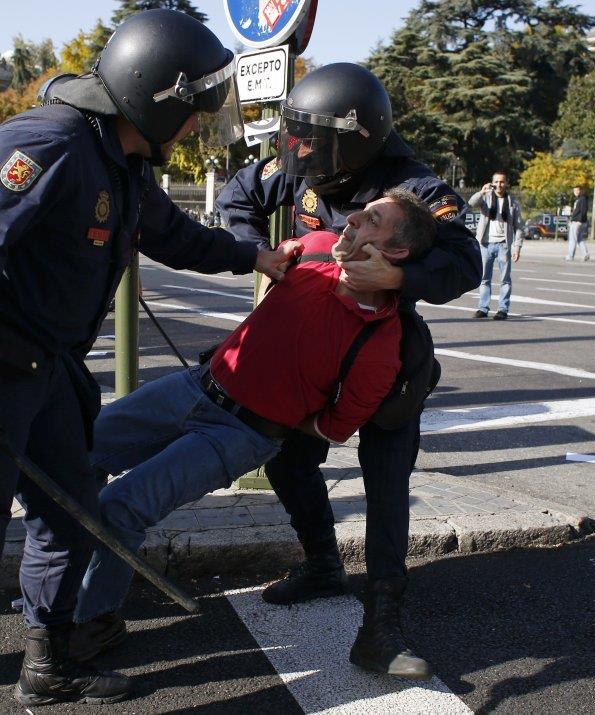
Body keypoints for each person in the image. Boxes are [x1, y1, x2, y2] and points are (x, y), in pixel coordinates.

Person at [0, 10, 292, 712]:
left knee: (68, 516)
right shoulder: (49, 141)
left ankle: (47, 665)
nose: (196, 126)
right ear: (153, 97)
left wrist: (255, 256)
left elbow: (174, 235)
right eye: (191, 112)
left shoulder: (121, 159)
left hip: (47, 369)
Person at [72, 191, 437, 659]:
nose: (351, 218)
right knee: (71, 454)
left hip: (240, 436)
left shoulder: (379, 346)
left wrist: (272, 414)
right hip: (194, 386)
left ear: (397, 254)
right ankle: (60, 581)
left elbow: (333, 427)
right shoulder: (317, 246)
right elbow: (245, 225)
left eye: (372, 220)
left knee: (122, 506)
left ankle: (92, 622)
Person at [214, 62, 481, 681]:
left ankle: (383, 625)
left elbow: (465, 261)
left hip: (383, 357)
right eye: (298, 139)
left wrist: (400, 277)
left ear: (358, 141)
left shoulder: (413, 188)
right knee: (287, 461)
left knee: (386, 482)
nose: (303, 154)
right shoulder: (303, 165)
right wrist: (262, 251)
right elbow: (238, 197)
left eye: (317, 142)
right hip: (312, 354)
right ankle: (321, 565)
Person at [469, 172, 524, 320]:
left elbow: (519, 226)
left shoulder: (512, 202)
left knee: (505, 279)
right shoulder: (486, 198)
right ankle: (483, 308)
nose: (499, 185)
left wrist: (517, 247)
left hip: (504, 245)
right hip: (486, 244)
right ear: (493, 183)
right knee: (484, 278)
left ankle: (503, 309)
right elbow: (471, 203)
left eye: (502, 182)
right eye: (496, 182)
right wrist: (481, 191)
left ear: (506, 183)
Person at [567, 184, 590, 261]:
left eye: (577, 190)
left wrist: (579, 220)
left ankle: (570, 256)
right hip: (578, 221)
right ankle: (585, 254)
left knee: (572, 239)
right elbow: (578, 211)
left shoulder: (582, 199)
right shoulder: (580, 199)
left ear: (581, 191)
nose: (575, 192)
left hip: (578, 222)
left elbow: (583, 210)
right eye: (574, 190)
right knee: (580, 239)